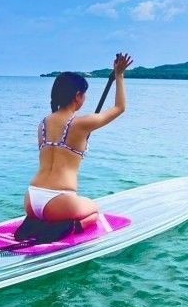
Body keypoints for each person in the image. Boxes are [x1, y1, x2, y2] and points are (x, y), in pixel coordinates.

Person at [22, 53, 133, 236]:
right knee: (95, 209)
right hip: (60, 202)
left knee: (66, 208)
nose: (85, 98)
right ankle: (71, 227)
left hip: (31, 199)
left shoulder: (43, 124)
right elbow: (119, 108)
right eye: (85, 94)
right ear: (77, 96)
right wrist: (119, 76)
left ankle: (40, 223)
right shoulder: (81, 123)